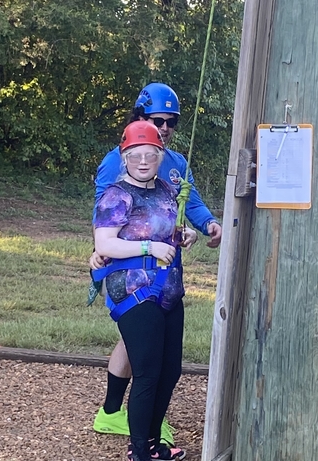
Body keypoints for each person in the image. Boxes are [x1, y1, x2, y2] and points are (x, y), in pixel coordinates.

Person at [91, 83, 222, 441]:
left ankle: (116, 413)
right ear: (139, 117)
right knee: (141, 343)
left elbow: (189, 201)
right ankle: (121, 417)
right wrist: (98, 248)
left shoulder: (175, 163)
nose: (164, 128)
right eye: (156, 120)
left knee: (146, 345)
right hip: (129, 265)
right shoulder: (121, 157)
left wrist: (208, 223)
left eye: (171, 122)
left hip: (166, 270)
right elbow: (105, 207)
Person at [93, 120, 197, 461]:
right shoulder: (116, 196)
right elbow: (105, 243)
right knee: (148, 371)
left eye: (149, 155)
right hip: (134, 290)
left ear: (159, 156)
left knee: (170, 372)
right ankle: (137, 452)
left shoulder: (168, 190)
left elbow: (169, 228)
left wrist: (183, 236)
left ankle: (153, 441)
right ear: (125, 158)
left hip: (168, 290)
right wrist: (149, 246)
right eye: (135, 155)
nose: (142, 161)